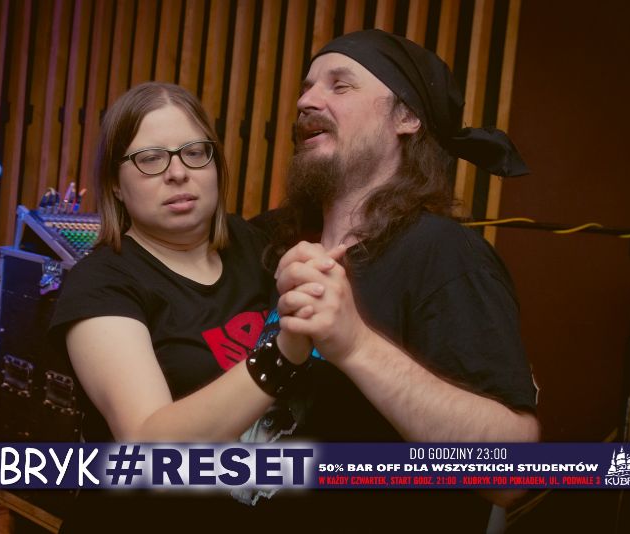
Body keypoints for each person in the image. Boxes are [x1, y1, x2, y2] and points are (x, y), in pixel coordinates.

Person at [251, 29, 539, 530]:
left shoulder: (444, 255)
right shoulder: (267, 241)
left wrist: (356, 345)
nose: (305, 101)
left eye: (340, 85)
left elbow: (513, 473)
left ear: (406, 118)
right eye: (307, 87)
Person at [49, 82, 324, 529]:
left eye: (194, 152)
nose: (177, 173)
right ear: (115, 184)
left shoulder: (257, 244)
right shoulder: (100, 285)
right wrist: (282, 353)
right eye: (150, 158)